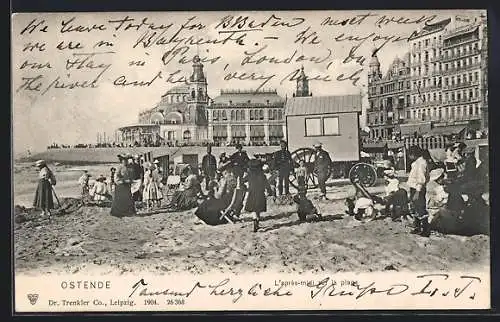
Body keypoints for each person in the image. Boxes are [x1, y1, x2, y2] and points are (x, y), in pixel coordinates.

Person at [407, 145, 430, 237]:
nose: (409, 157)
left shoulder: (421, 164)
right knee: (415, 208)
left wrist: (417, 192)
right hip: (414, 188)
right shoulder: (417, 162)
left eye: (410, 155)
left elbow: (421, 179)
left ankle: (425, 229)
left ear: (414, 154)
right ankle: (417, 227)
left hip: (418, 189)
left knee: (421, 208)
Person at [244, 159, 268, 232]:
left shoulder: (249, 175)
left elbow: (242, 181)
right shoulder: (262, 175)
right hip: (260, 193)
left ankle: (254, 220)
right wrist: (270, 191)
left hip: (252, 193)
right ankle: (257, 221)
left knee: (253, 209)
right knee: (258, 209)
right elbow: (267, 185)